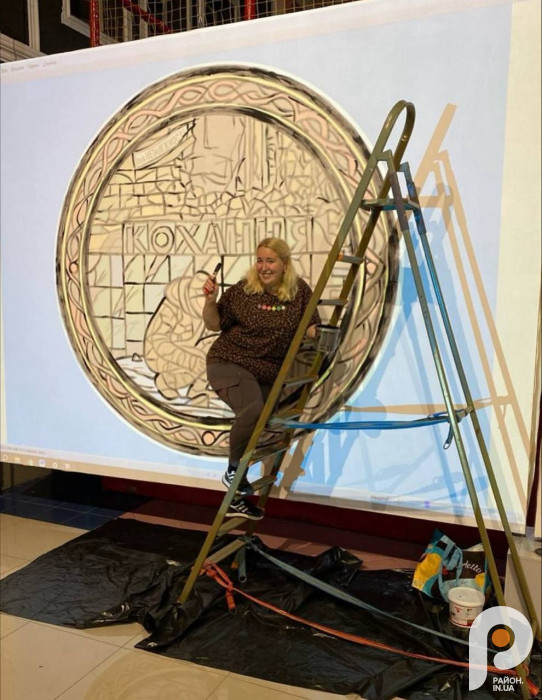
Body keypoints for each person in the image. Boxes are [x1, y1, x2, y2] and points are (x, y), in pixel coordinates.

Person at [202, 237, 321, 520]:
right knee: (252, 409)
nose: (264, 267)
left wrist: (325, 334)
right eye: (259, 260)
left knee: (261, 425)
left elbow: (310, 327)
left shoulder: (299, 292)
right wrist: (210, 301)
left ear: (284, 264)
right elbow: (214, 324)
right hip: (229, 361)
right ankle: (233, 472)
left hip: (267, 371)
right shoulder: (243, 290)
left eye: (270, 261)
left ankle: (236, 496)